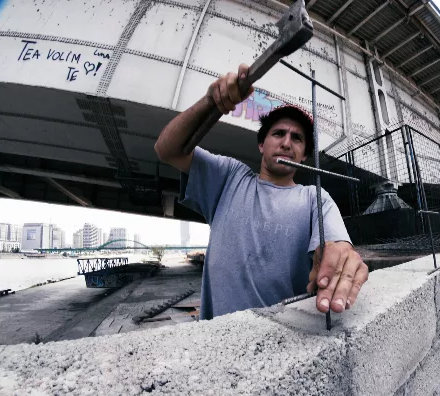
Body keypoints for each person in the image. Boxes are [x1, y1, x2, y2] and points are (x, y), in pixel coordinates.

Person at [154, 64, 369, 320]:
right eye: (278, 133)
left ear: (305, 155)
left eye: (297, 138)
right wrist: (211, 102)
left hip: (280, 339)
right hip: (215, 339)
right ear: (261, 145)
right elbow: (167, 149)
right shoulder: (229, 178)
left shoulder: (315, 198)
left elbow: (337, 247)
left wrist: (339, 260)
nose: (287, 143)